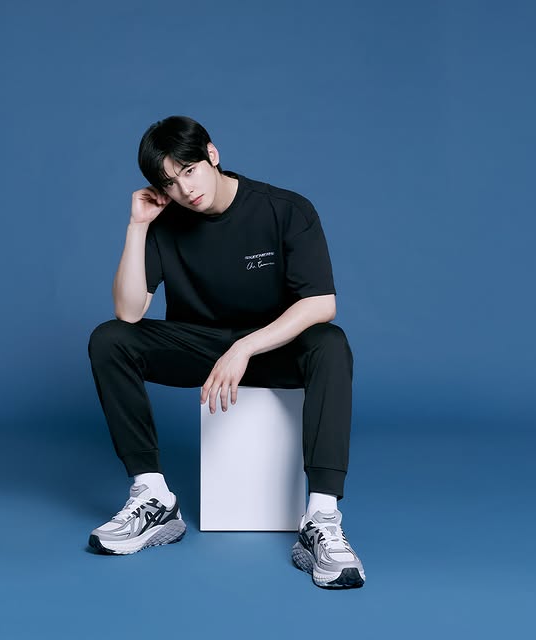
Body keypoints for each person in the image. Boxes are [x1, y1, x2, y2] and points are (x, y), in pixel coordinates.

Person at [87, 115, 365, 589]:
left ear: (212, 155)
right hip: (200, 348)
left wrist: (245, 346)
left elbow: (322, 304)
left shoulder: (285, 209)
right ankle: (153, 496)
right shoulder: (165, 221)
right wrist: (137, 227)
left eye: (189, 171)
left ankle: (322, 518)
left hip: (273, 346)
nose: (185, 190)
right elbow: (129, 311)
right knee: (109, 338)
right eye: (169, 183)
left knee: (331, 343)